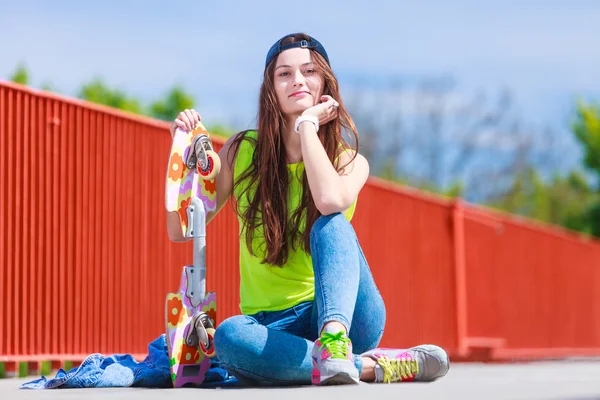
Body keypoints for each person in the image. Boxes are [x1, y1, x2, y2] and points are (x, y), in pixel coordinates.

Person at [166, 33, 450, 386]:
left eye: (308, 71)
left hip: (343, 318)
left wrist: (307, 126)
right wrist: (180, 154)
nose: (297, 80)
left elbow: (329, 202)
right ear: (271, 89)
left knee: (330, 224)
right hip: (269, 328)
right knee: (228, 338)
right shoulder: (242, 152)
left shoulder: (349, 161)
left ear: (324, 84)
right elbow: (180, 230)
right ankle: (372, 367)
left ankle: (335, 345)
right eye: (284, 74)